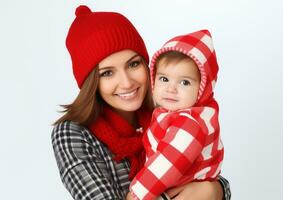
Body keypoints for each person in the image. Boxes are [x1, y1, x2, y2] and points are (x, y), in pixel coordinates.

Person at [51, 5, 231, 200]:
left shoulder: (166, 113)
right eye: (107, 73)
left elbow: (203, 170)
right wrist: (206, 192)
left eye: (133, 64)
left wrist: (216, 190)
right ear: (91, 82)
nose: (127, 83)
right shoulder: (73, 133)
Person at [128, 30, 224, 200]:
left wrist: (138, 194)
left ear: (203, 88)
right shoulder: (170, 113)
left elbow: (169, 161)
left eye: (184, 82)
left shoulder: (189, 123)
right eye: (164, 79)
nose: (171, 89)